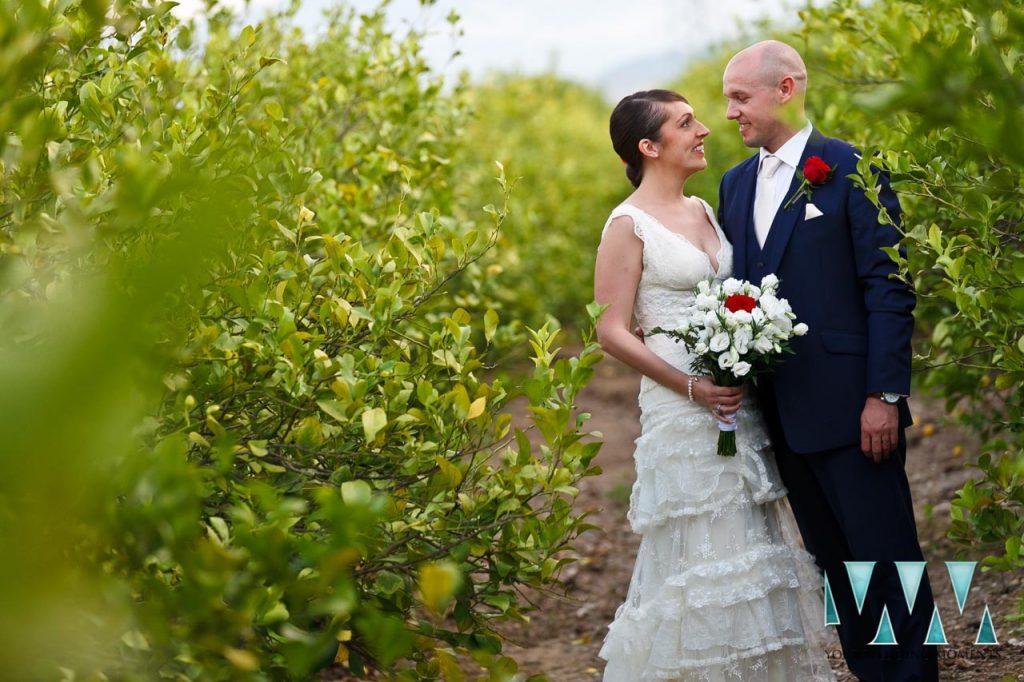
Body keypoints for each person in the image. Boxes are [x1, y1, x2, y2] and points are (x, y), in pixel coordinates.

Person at [594, 89, 834, 681]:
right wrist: (689, 385)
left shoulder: (705, 208)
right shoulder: (627, 224)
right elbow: (611, 330)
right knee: (702, 545)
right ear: (649, 147)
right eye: (685, 123)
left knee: (747, 537)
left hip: (735, 396)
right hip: (683, 405)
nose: (703, 129)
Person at [718, 40, 938, 681]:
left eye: (740, 97)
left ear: (786, 88)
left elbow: (888, 288)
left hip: (852, 407)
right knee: (836, 569)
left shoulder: (849, 168)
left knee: (886, 559)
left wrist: (885, 395)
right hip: (780, 415)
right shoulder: (734, 185)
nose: (730, 111)